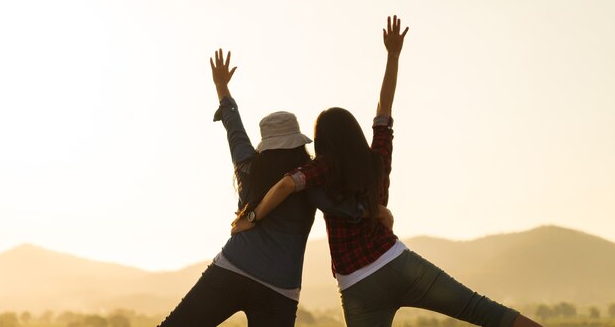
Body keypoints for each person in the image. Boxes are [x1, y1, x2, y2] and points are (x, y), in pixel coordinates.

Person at [232, 16, 542, 327]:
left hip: (356, 286)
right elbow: (384, 108)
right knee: (482, 310)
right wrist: (393, 56)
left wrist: (251, 218)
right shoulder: (378, 157)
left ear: (323, 141)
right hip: (397, 262)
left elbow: (287, 184)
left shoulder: (322, 168)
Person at [158, 49, 388, 327]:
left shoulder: (248, 166)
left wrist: (222, 88)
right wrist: (374, 211)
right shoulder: (309, 180)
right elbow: (340, 206)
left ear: (266, 144)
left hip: (232, 267)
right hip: (279, 289)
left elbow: (235, 129)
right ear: (299, 143)